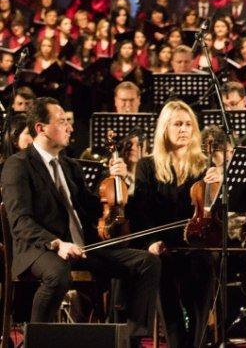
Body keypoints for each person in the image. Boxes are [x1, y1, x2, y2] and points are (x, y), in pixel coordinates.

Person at [1, 97, 160, 346]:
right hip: (39, 249)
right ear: (40, 128)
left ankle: (130, 338)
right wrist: (57, 244)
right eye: (62, 122)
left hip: (82, 246)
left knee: (146, 262)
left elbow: (93, 207)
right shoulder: (17, 165)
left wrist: (117, 184)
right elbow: (20, 221)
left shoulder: (70, 165)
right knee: (58, 274)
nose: (70, 128)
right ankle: (37, 341)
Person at [125, 100, 221, 348]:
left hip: (195, 243)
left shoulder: (204, 165)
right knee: (162, 276)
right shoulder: (147, 165)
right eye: (177, 124)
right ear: (164, 128)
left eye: (189, 124)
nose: (184, 129)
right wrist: (150, 242)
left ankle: (195, 343)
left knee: (204, 266)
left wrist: (219, 188)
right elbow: (140, 211)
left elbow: (212, 214)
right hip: (162, 245)